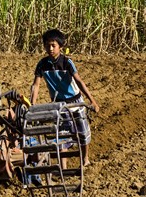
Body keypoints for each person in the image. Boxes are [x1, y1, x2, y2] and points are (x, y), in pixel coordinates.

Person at [30, 28, 99, 167]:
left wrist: (92, 101)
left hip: (75, 101)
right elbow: (36, 85)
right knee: (62, 136)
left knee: (82, 131)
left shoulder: (67, 62)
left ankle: (85, 159)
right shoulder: (42, 64)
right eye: (47, 45)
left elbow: (79, 81)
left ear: (60, 47)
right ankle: (64, 167)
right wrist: (32, 104)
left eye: (53, 46)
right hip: (59, 104)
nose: (50, 48)